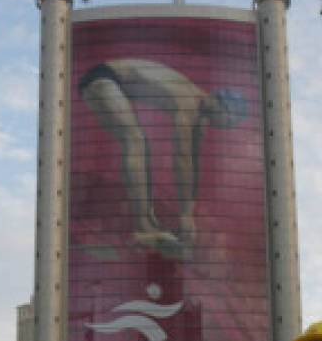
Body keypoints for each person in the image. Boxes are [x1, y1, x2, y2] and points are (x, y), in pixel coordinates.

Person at [79, 58, 247, 259]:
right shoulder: (190, 103)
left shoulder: (201, 119)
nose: (222, 127)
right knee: (135, 141)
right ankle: (143, 226)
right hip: (103, 78)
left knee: (137, 142)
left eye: (228, 126)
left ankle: (149, 224)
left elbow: (194, 163)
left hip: (111, 83)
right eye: (227, 120)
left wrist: (189, 212)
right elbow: (182, 157)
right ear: (219, 104)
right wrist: (185, 216)